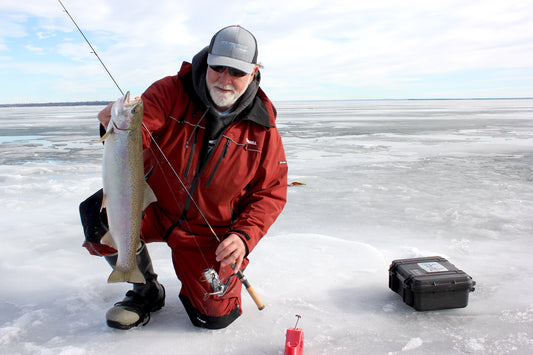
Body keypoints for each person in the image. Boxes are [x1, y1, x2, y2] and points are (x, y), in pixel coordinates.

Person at [79, 25, 288, 330]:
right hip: (155, 208)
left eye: (237, 72)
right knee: (97, 215)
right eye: (218, 67)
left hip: (209, 233)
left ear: (254, 72)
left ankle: (204, 293)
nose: (225, 79)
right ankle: (144, 289)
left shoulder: (263, 130)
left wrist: (243, 237)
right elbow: (141, 128)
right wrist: (116, 126)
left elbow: (270, 193)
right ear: (208, 59)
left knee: (213, 318)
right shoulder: (171, 91)